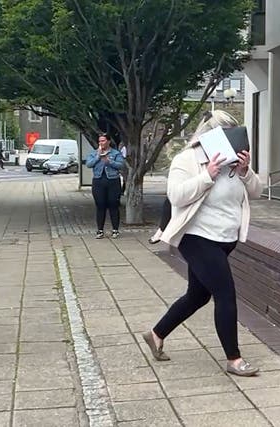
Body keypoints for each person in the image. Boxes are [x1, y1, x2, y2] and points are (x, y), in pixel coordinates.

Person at [142, 110, 263, 377]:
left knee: (198, 295)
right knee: (225, 294)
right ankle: (234, 359)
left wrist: (244, 172)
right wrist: (208, 174)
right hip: (196, 237)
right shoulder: (187, 160)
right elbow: (176, 196)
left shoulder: (234, 163)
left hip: (225, 238)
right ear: (210, 135)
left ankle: (156, 333)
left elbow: (257, 192)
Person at [86, 133, 125, 239]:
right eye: (100, 141)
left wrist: (109, 162)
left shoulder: (115, 153)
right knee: (100, 205)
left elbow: (121, 165)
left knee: (113, 205)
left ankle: (115, 230)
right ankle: (100, 230)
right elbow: (89, 164)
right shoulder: (94, 153)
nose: (101, 143)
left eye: (103, 141)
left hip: (113, 181)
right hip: (98, 181)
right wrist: (98, 157)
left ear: (108, 141)